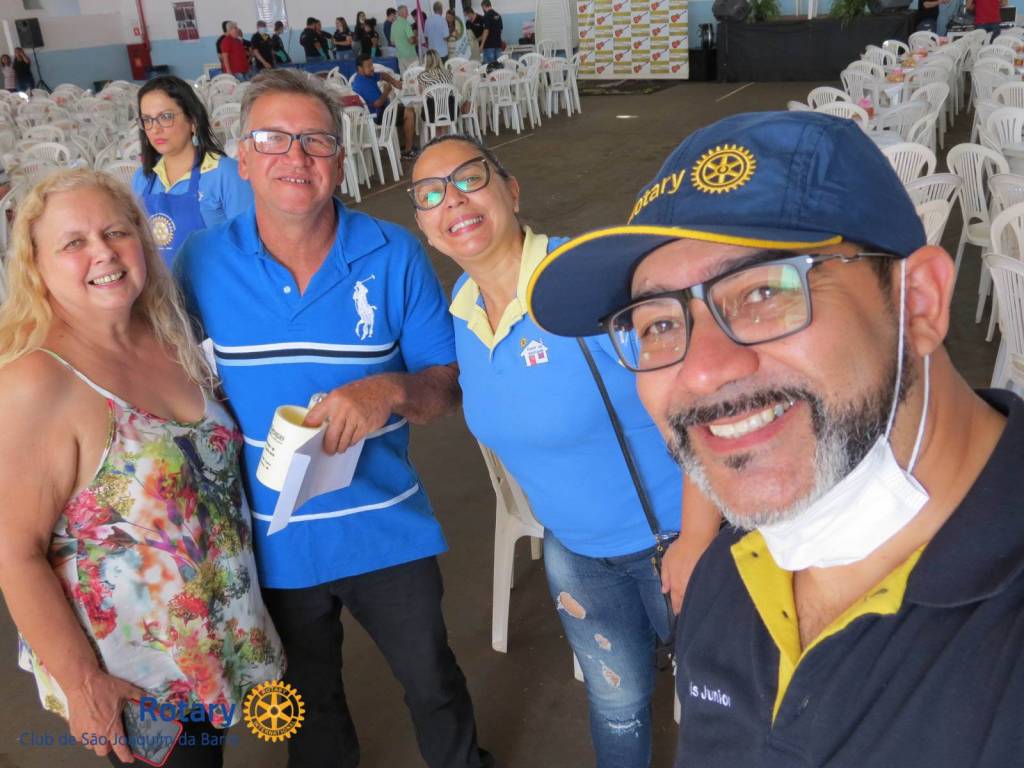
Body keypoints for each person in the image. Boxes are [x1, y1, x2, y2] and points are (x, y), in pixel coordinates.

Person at [527, 110, 1024, 767]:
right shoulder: (726, 577)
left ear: (919, 303)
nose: (702, 370)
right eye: (657, 325)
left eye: (764, 290)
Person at [174, 69, 493, 768]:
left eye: (316, 141)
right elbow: (169, 377)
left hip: (386, 528)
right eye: (273, 139)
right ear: (243, 158)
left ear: (340, 161)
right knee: (307, 705)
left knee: (433, 683)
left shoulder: (394, 253)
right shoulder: (201, 262)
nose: (296, 156)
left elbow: (446, 385)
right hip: (271, 538)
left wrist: (388, 390)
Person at [411, 135, 720, 768]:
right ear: (425, 228)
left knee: (722, 705)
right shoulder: (462, 313)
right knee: (616, 705)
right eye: (431, 194)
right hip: (576, 555)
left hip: (672, 542)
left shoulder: (586, 285)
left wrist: (696, 540)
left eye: (469, 179)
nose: (454, 201)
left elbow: (699, 410)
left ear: (511, 189)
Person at [0, 168, 285, 768]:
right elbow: (13, 553)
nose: (103, 252)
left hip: (209, 650)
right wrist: (83, 685)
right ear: (36, 266)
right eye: (73, 242)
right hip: (136, 681)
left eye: (116, 232)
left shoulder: (165, 336)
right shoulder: (36, 380)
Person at [131, 76, 253, 265]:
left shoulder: (224, 173)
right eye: (147, 120)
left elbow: (249, 246)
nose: (155, 129)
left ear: (193, 121)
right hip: (163, 284)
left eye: (165, 117)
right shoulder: (143, 179)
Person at [351, 53, 417, 159]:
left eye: (372, 65)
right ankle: (408, 151)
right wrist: (386, 91)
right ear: (360, 69)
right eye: (368, 66)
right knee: (409, 113)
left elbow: (382, 75)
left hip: (383, 110)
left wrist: (394, 82)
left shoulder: (368, 76)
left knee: (405, 108)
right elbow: (378, 103)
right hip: (377, 116)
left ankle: (404, 146)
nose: (372, 68)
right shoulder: (362, 84)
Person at [392, 5, 419, 72]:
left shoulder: (393, 25)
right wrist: (416, 39)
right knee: (415, 74)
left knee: (404, 75)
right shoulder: (406, 23)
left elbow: (392, 42)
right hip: (410, 56)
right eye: (406, 12)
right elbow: (411, 40)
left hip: (400, 56)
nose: (408, 14)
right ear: (402, 13)